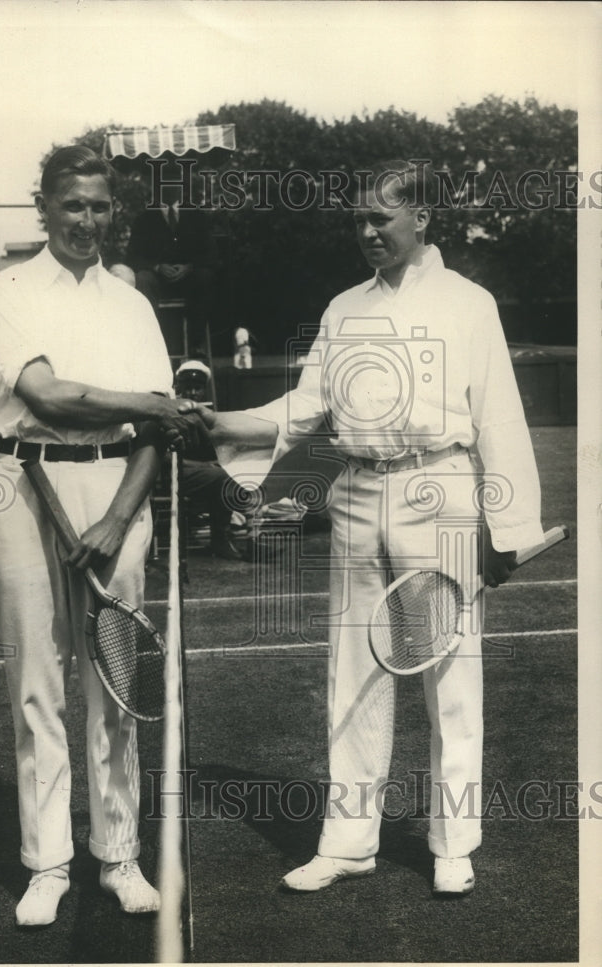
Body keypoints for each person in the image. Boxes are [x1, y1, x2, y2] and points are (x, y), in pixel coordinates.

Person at [197, 160, 545, 897]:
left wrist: (508, 527)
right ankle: (348, 842)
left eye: (379, 218)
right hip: (356, 492)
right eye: (357, 218)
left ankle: (454, 844)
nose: (366, 231)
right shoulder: (342, 307)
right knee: (351, 670)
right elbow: (305, 408)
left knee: (451, 674)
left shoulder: (470, 302)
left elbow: (499, 417)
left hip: (442, 491)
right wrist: (221, 424)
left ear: (422, 218)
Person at [0, 145, 205, 927]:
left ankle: (119, 855)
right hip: (21, 486)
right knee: (36, 683)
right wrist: (150, 403)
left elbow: (157, 431)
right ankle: (47, 863)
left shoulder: (133, 305)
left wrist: (115, 519)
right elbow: (47, 396)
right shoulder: (4, 290)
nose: (86, 220)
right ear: (43, 206)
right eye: (72, 204)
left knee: (115, 683)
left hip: (117, 491)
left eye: (99, 206)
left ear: (115, 213)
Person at [126, 163, 217, 356]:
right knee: (142, 278)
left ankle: (196, 344)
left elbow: (210, 253)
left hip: (189, 281)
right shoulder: (144, 220)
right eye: (164, 183)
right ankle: (149, 342)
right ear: (156, 187)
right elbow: (132, 257)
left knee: (205, 277)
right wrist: (157, 267)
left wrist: (189, 267)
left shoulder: (196, 217)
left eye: (175, 183)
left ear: (182, 186)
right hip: (157, 282)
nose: (170, 188)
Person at [173, 359, 243, 561]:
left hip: (194, 472)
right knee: (222, 477)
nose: (193, 393)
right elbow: (165, 457)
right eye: (188, 388)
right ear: (179, 388)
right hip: (171, 472)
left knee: (236, 469)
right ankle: (221, 540)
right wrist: (206, 465)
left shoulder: (204, 413)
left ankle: (247, 534)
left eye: (198, 388)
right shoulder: (172, 411)